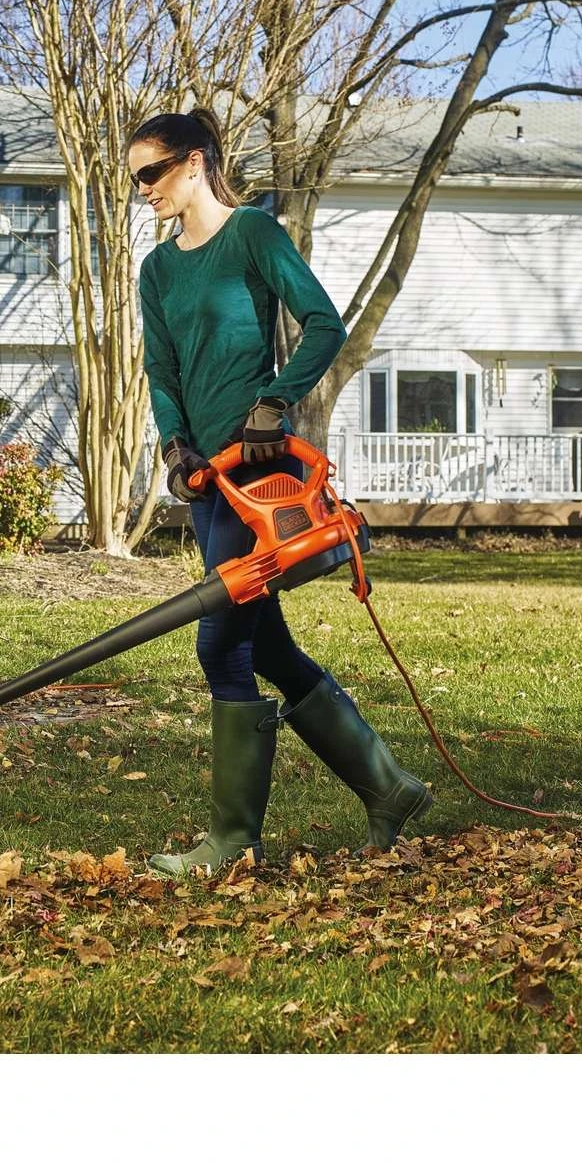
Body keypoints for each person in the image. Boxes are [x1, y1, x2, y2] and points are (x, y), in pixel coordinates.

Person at [131, 108, 432, 877]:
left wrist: (275, 402)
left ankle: (234, 840)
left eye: (151, 173)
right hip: (208, 482)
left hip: (261, 474)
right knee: (264, 643)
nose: (144, 190)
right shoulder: (157, 271)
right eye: (136, 179)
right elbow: (162, 370)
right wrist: (174, 445)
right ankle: (390, 788)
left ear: (194, 162)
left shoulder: (253, 236)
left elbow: (324, 325)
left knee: (220, 642)